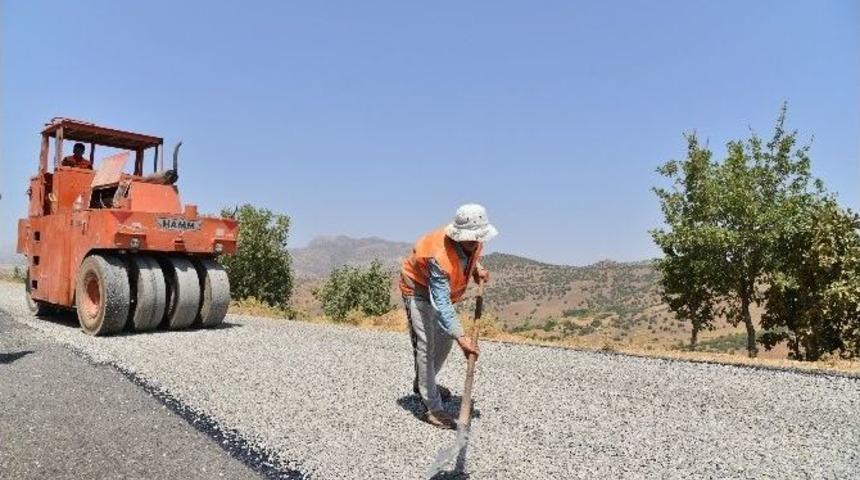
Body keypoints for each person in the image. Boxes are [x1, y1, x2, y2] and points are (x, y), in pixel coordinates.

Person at [400, 203, 498, 429]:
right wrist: (463, 338)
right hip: (417, 290)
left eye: (477, 238)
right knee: (426, 345)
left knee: (445, 340)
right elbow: (442, 303)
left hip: (438, 292)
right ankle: (432, 408)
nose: (476, 242)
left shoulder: (473, 241)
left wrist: (476, 269)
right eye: (471, 239)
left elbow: (470, 255)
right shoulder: (439, 256)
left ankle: (424, 383)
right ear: (459, 235)